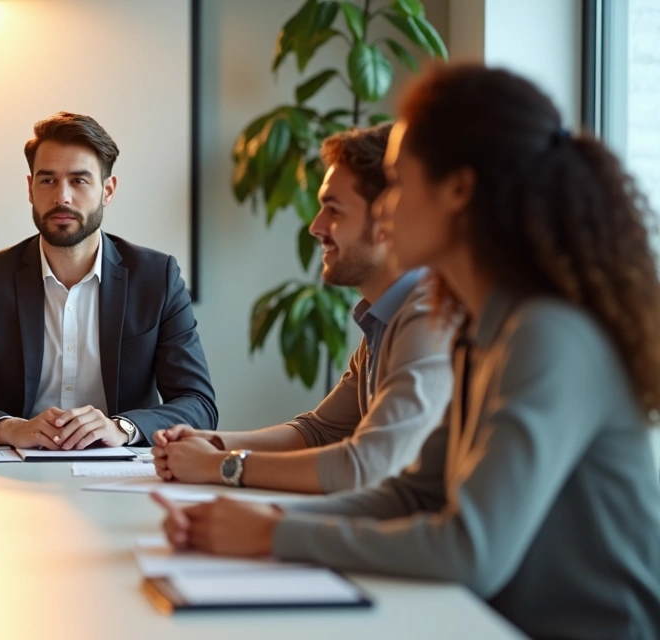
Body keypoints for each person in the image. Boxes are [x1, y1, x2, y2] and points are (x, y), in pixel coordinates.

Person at [155, 64, 660, 639]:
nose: (386, 212)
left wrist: (272, 535)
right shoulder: (479, 326)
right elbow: (416, 492)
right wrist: (263, 518)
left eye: (396, 182)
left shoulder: (548, 335)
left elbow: (471, 548)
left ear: (459, 190)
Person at [152, 124, 456, 494]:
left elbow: (367, 467)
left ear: (386, 219)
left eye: (334, 210)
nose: (316, 227)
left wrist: (221, 465)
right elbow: (319, 431)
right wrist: (211, 442)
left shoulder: (428, 317)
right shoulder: (386, 317)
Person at [0, 112, 217, 449]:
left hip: (122, 471)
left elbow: (198, 404)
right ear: (30, 188)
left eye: (79, 181)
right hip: (17, 467)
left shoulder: (156, 278)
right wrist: (11, 429)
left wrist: (122, 427)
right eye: (47, 180)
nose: (62, 197)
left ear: (107, 191)